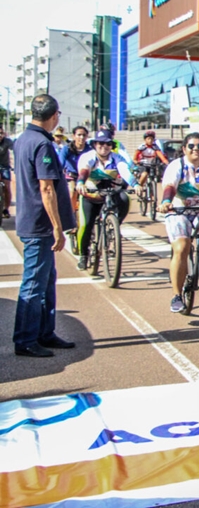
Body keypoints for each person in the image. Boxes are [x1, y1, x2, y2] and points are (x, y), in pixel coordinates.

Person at [13, 94, 77, 357]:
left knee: (47, 279)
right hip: (39, 223)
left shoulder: (22, 140)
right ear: (54, 116)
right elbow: (46, 187)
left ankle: (44, 332)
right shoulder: (42, 144)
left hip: (31, 218)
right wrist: (56, 226)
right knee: (34, 282)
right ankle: (26, 339)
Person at [159, 133, 199, 313]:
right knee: (181, 247)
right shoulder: (177, 166)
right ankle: (176, 295)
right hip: (179, 210)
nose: (196, 149)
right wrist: (166, 202)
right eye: (191, 146)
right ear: (184, 149)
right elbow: (170, 187)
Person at [74, 129, 136, 271]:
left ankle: (113, 226)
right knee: (86, 225)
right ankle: (83, 255)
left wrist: (136, 184)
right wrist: (80, 183)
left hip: (109, 194)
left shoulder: (117, 158)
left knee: (125, 198)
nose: (104, 147)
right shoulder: (88, 157)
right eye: (100, 143)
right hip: (90, 195)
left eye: (108, 144)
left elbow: (125, 171)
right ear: (95, 144)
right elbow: (84, 170)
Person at [0, 125, 14, 219]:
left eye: (1, 133)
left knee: (7, 187)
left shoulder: (7, 141)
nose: (0, 135)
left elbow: (15, 150)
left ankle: (6, 209)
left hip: (4, 167)